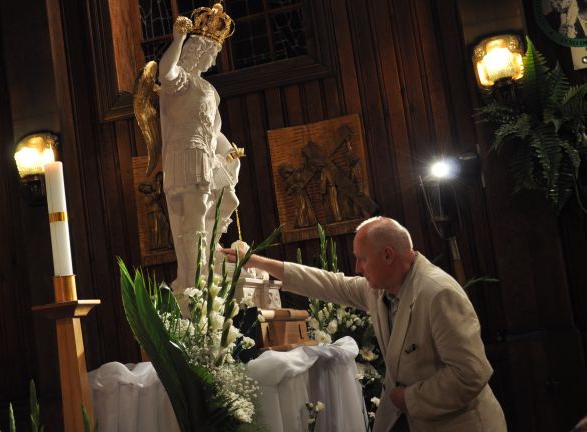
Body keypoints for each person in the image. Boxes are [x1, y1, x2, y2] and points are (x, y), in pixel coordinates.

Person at [224, 216, 506, 431]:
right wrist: (258, 263)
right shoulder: (380, 288)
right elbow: (330, 283)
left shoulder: (437, 293)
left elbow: (470, 374)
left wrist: (407, 399)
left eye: (362, 259)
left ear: (387, 255)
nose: (358, 267)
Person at [158, 4, 239, 292]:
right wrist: (178, 38)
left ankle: (205, 261)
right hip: (186, 152)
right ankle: (194, 278)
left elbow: (214, 130)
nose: (214, 61)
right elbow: (164, 71)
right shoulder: (181, 82)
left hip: (205, 154)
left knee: (225, 201)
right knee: (193, 213)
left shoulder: (209, 90)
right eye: (212, 53)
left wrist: (229, 154)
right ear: (198, 51)